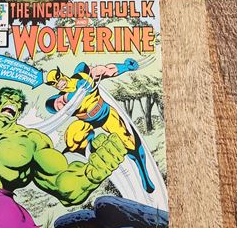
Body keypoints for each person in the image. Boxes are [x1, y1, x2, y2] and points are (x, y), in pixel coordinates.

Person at [0, 88, 126, 228]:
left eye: (18, 102)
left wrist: (91, 174)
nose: (13, 102)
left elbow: (61, 182)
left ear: (19, 112)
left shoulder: (30, 141)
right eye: (8, 97)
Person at [44, 59, 155, 193]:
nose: (58, 83)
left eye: (57, 78)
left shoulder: (83, 76)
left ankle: (144, 174)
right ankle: (90, 149)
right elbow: (57, 105)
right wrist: (70, 97)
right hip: (87, 121)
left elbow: (106, 70)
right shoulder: (62, 99)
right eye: (52, 83)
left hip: (105, 113)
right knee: (73, 134)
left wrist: (125, 67)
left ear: (60, 73)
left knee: (129, 142)